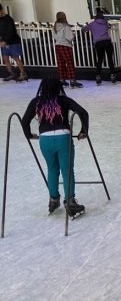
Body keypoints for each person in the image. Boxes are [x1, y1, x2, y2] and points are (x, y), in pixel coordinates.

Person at [21, 76, 89, 218]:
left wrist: (29, 135)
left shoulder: (36, 102)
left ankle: (53, 199)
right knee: (67, 170)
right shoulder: (64, 100)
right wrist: (84, 131)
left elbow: (25, 120)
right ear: (59, 87)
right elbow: (83, 112)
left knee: (52, 169)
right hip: (63, 138)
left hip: (45, 140)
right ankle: (70, 202)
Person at [82, 8, 117, 85]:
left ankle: (98, 76)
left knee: (100, 59)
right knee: (110, 58)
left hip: (98, 43)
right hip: (107, 41)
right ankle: (112, 75)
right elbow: (109, 26)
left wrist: (85, 26)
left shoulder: (92, 24)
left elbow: (84, 29)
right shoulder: (105, 23)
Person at [53, 11, 82, 88]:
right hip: (65, 45)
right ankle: (72, 80)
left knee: (60, 63)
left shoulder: (55, 26)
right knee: (69, 63)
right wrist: (74, 34)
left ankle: (62, 79)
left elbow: (55, 37)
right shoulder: (65, 26)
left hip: (57, 45)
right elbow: (69, 37)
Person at [0, 3, 27, 82]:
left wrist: (5, 41)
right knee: (5, 58)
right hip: (4, 42)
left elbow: (10, 31)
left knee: (15, 57)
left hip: (13, 41)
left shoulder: (8, 19)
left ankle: (23, 73)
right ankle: (11, 73)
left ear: (1, 11)